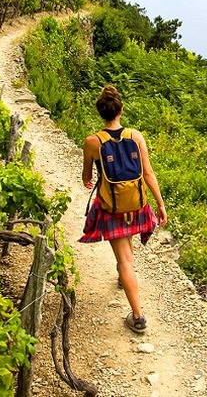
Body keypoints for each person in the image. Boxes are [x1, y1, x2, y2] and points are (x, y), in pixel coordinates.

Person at [79, 85, 167, 334]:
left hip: (111, 207)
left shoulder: (92, 142)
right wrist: (159, 204)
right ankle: (122, 276)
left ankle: (138, 317)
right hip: (137, 204)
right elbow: (148, 173)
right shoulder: (135, 136)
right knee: (126, 254)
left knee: (125, 259)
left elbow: (87, 176)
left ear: (100, 113)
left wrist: (89, 179)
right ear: (121, 110)